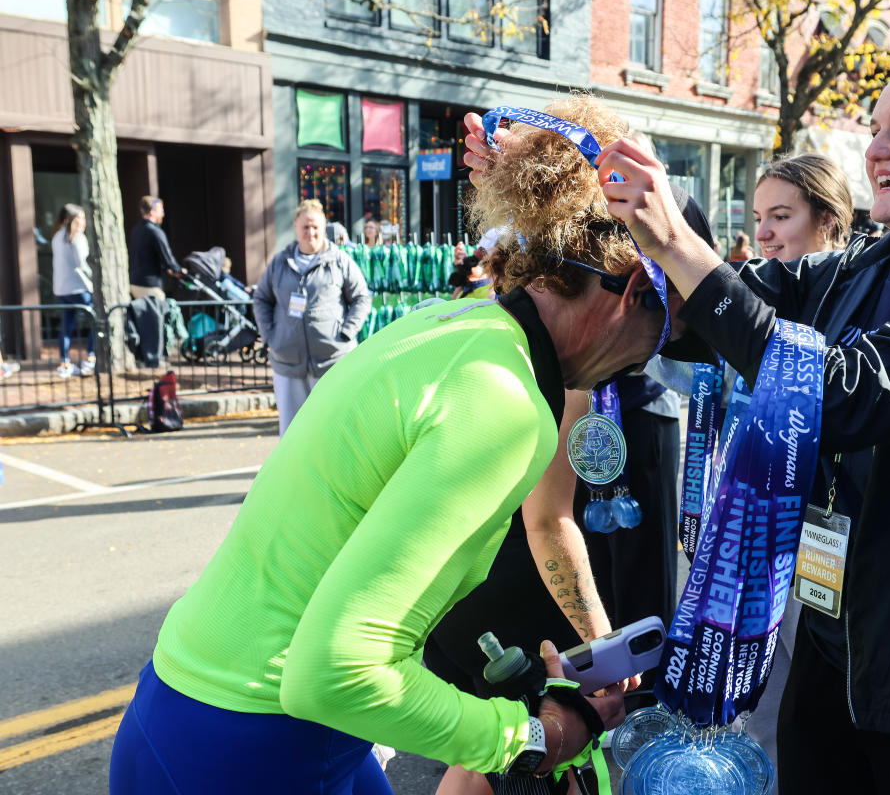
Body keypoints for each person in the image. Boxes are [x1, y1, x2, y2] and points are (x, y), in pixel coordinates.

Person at [109, 98, 686, 795]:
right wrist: (536, 736)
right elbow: (338, 670)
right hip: (259, 744)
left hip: (187, 703)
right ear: (629, 293)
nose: (650, 361)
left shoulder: (453, 322)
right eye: (668, 331)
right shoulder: (506, 401)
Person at [580, 53, 890, 793]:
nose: (876, 148)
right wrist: (561, 185)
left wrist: (680, 245)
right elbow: (702, 312)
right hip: (832, 651)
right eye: (875, 128)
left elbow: (841, 394)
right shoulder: (852, 271)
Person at [742, 152, 853, 790]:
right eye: (759, 217)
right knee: (756, 699)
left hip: (818, 541)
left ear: (830, 222)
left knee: (803, 698)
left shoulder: (852, 310)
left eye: (781, 216)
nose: (764, 233)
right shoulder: (755, 301)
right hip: (748, 535)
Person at [252, 200, 371, 435]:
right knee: (293, 434)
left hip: (332, 361)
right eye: (305, 227)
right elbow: (261, 299)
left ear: (324, 227)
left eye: (315, 227)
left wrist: (345, 333)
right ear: (296, 227)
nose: (311, 233)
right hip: (288, 363)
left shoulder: (339, 260)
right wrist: (271, 337)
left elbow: (362, 298)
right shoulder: (279, 263)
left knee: (333, 430)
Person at [50, 203, 96, 378]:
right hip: (79, 287)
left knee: (67, 325)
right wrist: (95, 282)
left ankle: (65, 362)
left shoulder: (57, 236)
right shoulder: (76, 237)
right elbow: (82, 264)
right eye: (80, 218)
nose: (83, 222)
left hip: (61, 289)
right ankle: (91, 357)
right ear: (72, 219)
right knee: (96, 319)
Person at [128, 196, 183, 301]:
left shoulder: (136, 230)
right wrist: (179, 270)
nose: (163, 214)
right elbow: (168, 259)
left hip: (135, 284)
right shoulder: (155, 232)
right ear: (152, 212)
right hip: (149, 286)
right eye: (161, 210)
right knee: (161, 314)